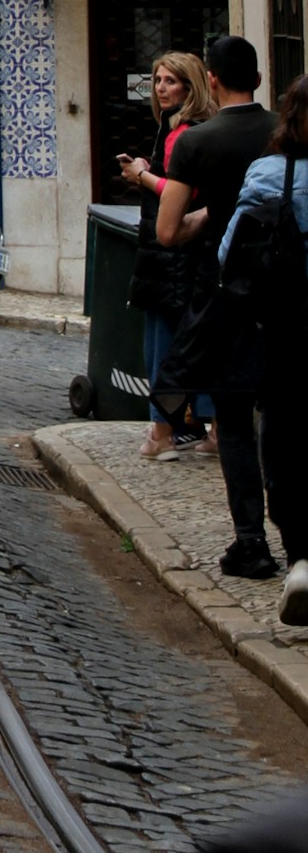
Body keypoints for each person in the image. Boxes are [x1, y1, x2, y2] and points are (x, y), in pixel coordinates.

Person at [158, 33, 275, 578]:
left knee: (232, 424)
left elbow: (167, 230)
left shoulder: (197, 142)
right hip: (284, 293)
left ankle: (250, 541)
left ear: (211, 79)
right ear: (257, 77)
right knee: (283, 418)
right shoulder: (284, 131)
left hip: (226, 295)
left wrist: (205, 220)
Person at [217, 73, 308, 621]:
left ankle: (301, 558)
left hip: (287, 334)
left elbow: (231, 257)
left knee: (286, 441)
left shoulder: (270, 174)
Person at [123, 50, 214, 459]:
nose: (161, 88)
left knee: (163, 344)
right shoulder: (195, 129)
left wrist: (141, 175)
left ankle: (162, 434)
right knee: (199, 341)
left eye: (171, 81)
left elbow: (181, 194)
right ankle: (208, 430)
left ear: (190, 86)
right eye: (157, 80)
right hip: (194, 251)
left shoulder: (182, 133)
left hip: (170, 252)